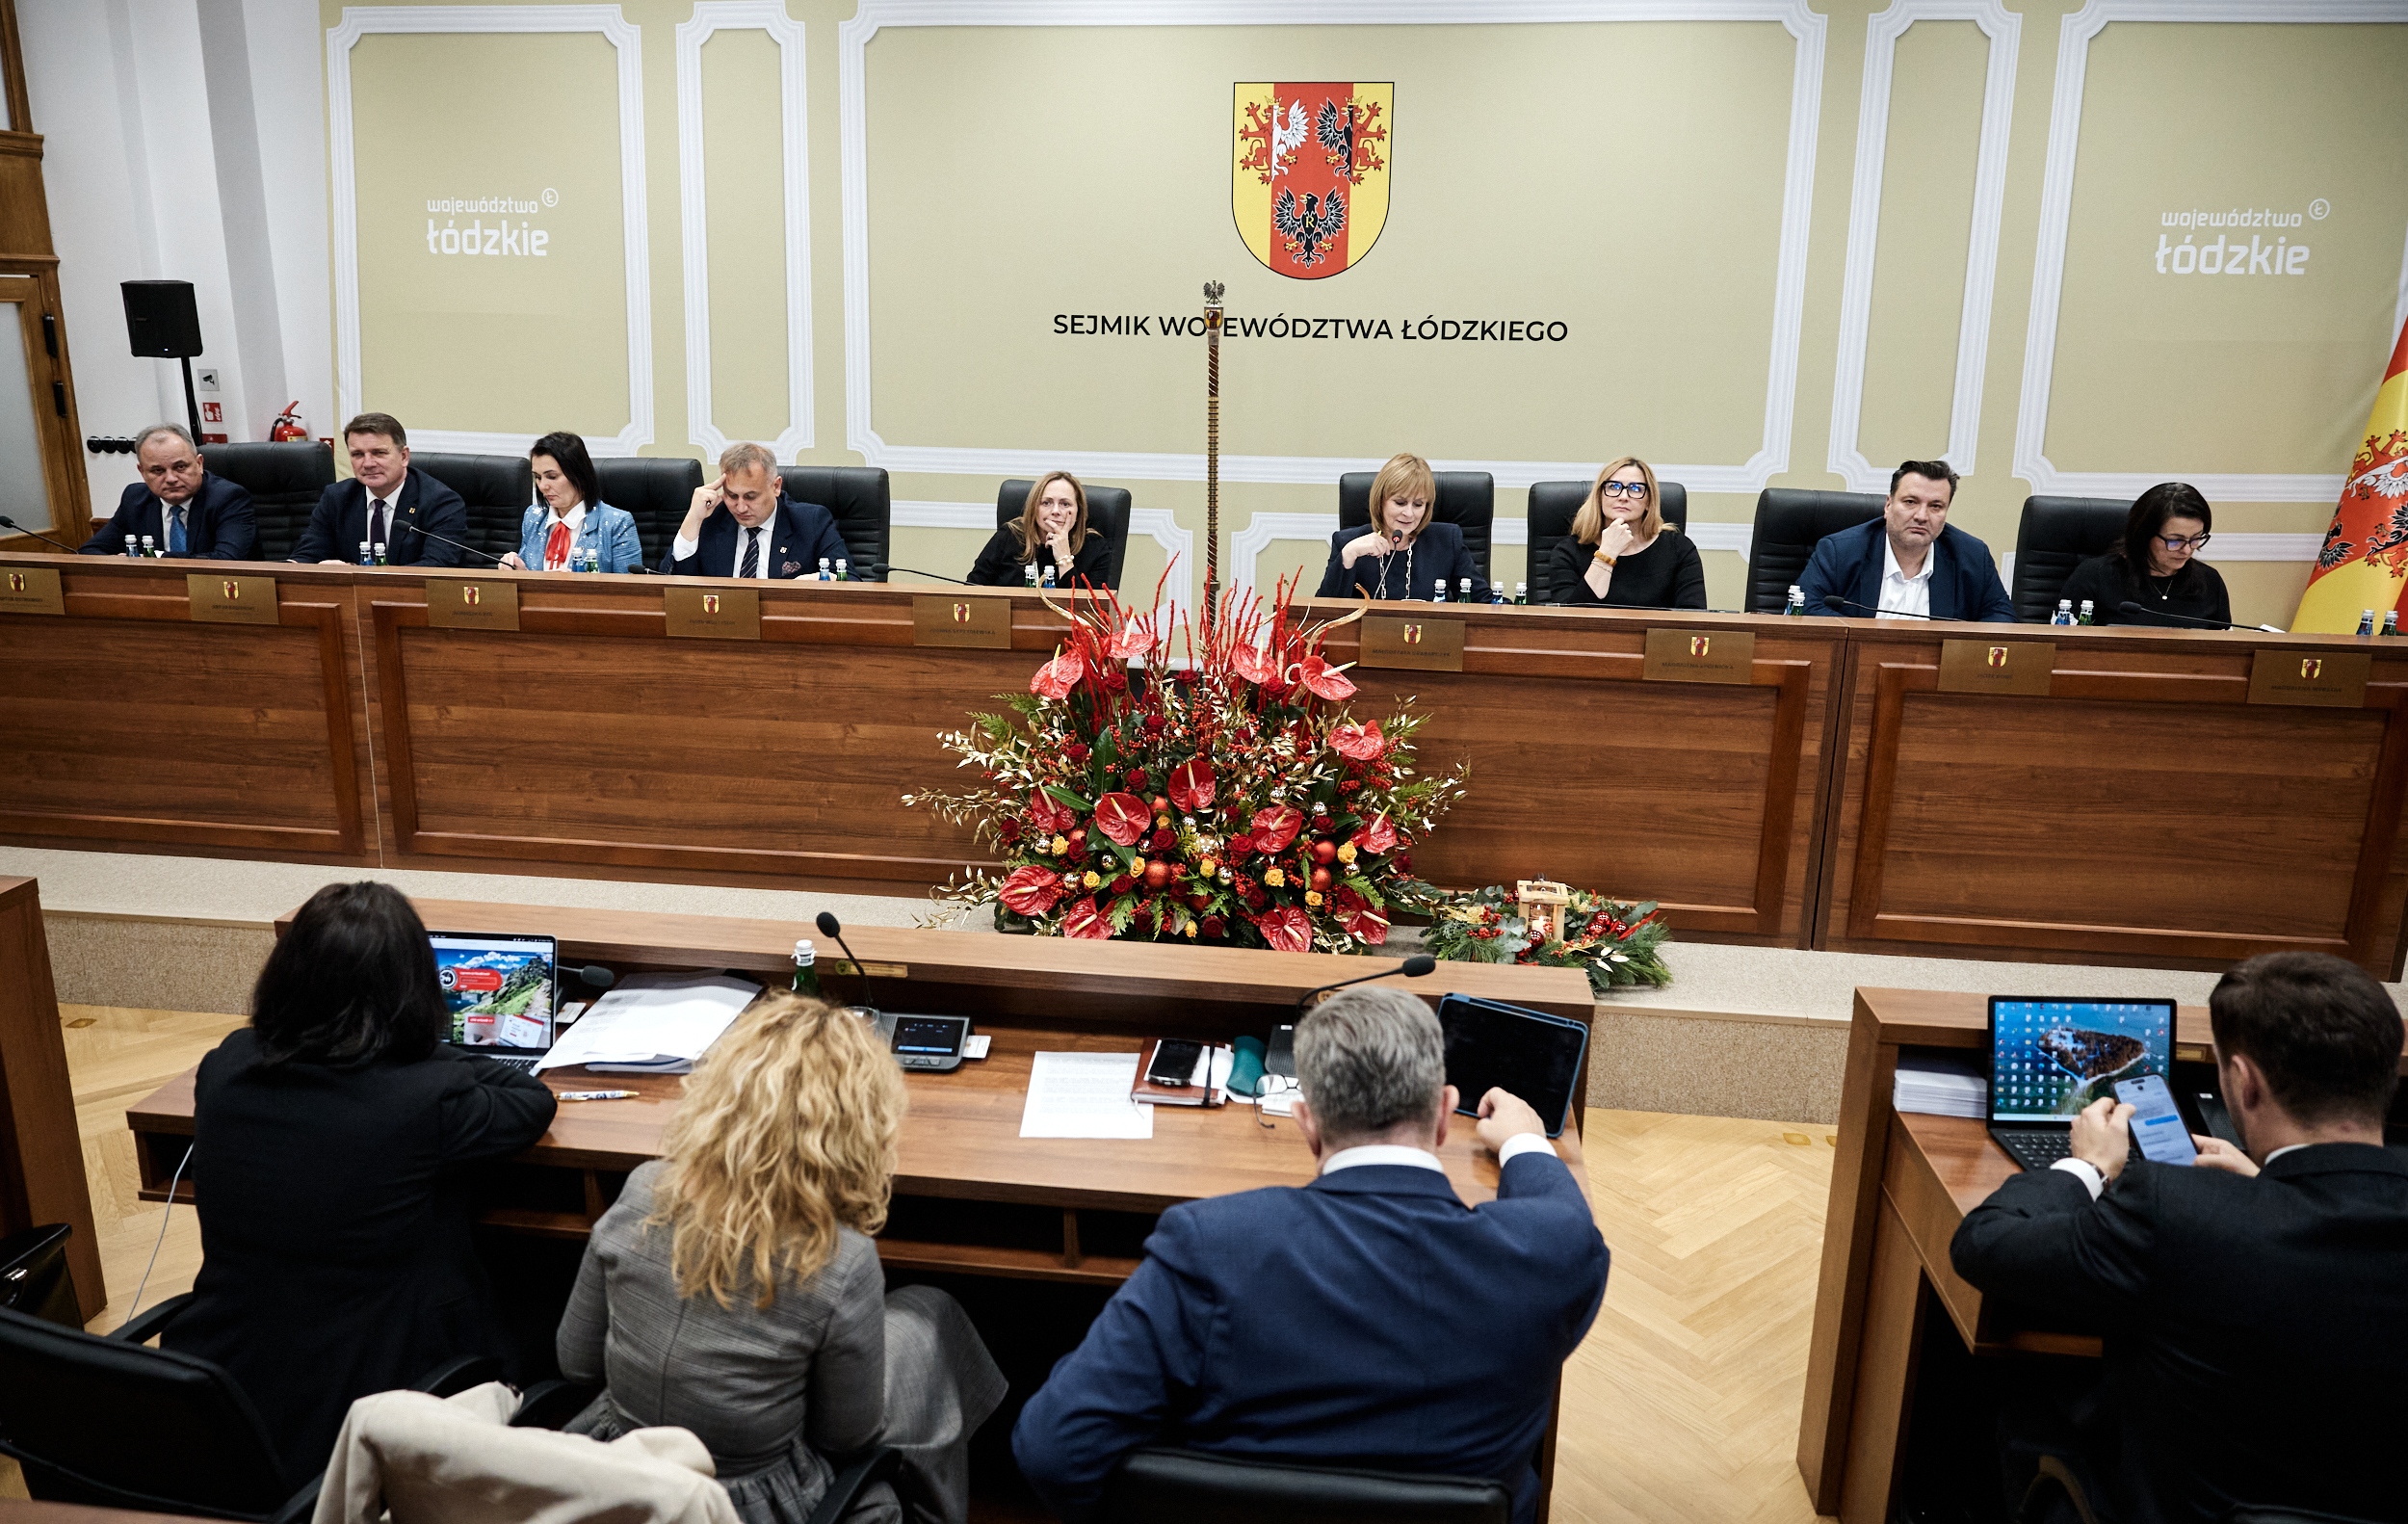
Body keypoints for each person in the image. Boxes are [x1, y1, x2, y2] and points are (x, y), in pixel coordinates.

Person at [1011, 985, 1608, 1524]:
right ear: (1446, 1113)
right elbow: (1563, 1216)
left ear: (1305, 1120)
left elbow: (1053, 1451)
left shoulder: (1212, 1243)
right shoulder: (1551, 1256)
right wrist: (1525, 1141)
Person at [1950, 952, 2408, 1524]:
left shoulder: (2175, 1210)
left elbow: (1985, 1244)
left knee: (2017, 1395)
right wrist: (2270, 1186)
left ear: (2244, 1082)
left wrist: (2088, 1166)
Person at [164, 881, 557, 1487]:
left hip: (228, 1393)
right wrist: (424, 1049)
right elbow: (530, 1100)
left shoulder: (226, 1067)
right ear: (412, 993)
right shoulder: (422, 1098)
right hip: (378, 1399)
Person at [559, 991, 1005, 1524]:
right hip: (751, 1502)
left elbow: (576, 1362)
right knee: (930, 1316)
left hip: (617, 1475)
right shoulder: (841, 1258)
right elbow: (846, 1437)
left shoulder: (644, 1188)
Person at [1796, 459, 2012, 621]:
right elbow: (1805, 608)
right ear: (1888, 505)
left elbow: (2002, 618)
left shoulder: (1972, 556)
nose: (1921, 516)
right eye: (1910, 502)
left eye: (1935, 506)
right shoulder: (1840, 551)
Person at [289, 412, 468, 566]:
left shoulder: (440, 502)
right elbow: (308, 555)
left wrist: (356, 574)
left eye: (379, 453)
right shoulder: (337, 497)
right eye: (358, 454)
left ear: (404, 456)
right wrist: (293, 567)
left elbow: (436, 566)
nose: (368, 463)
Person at [2055, 482, 2232, 629]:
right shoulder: (2096, 575)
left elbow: (2225, 650)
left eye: (2195, 539)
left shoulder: (2210, 581)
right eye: (2175, 541)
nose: (2187, 550)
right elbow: (2062, 645)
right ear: (2144, 535)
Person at [1314, 453, 1487, 601]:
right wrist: (1348, 555)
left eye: (1418, 504)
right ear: (1380, 501)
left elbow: (1482, 602)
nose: (1409, 513)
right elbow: (1324, 614)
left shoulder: (1447, 541)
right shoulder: (1347, 542)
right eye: (1400, 502)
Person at [665, 441, 849, 579]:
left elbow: (850, 582)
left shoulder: (811, 522)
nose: (740, 507)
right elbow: (670, 585)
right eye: (732, 495)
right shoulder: (711, 519)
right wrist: (693, 519)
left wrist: (821, 581)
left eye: (751, 496)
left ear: (776, 486)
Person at [77, 423, 257, 559]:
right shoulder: (135, 499)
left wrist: (152, 558)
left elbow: (226, 560)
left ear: (199, 464)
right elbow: (90, 551)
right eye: (158, 470)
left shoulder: (228, 498)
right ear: (142, 472)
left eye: (180, 467)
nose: (171, 478)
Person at [1543, 457, 1705, 608]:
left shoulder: (1679, 549)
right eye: (1613, 487)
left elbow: (1692, 618)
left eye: (1636, 489)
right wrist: (1607, 553)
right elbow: (1571, 618)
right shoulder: (1568, 552)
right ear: (1599, 497)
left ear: (1649, 502)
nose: (1623, 496)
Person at [498, 431, 644, 573]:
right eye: (538, 477)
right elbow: (532, 579)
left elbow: (630, 588)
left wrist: (574, 585)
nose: (542, 486)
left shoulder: (616, 524)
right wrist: (520, 571)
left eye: (552, 477)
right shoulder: (533, 517)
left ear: (579, 476)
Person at [966, 472, 1112, 588]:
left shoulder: (1094, 547)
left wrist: (1064, 559)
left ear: (1078, 510)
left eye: (1065, 504)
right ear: (1034, 508)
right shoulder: (1009, 536)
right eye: (1046, 503)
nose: (1055, 511)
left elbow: (1092, 610)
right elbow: (973, 591)